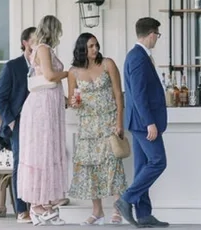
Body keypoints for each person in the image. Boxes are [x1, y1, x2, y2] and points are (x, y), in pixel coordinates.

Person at [68, 33, 127, 225]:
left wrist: (119, 123)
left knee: (112, 163)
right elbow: (72, 100)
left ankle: (118, 209)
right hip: (87, 125)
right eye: (91, 46)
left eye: (96, 45)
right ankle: (97, 211)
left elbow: (119, 95)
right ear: (82, 49)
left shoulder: (108, 64)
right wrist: (74, 104)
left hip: (108, 120)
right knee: (91, 166)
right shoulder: (73, 72)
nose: (95, 49)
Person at [115, 17, 169, 228]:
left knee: (142, 167)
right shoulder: (138, 57)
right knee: (158, 161)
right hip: (142, 122)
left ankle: (144, 214)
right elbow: (138, 94)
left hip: (138, 122)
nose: (157, 39)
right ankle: (126, 199)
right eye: (157, 35)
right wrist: (149, 122)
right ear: (152, 34)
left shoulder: (138, 56)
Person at [18, 15, 70, 224]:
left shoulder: (44, 49)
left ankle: (45, 203)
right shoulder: (43, 48)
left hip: (51, 103)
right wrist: (69, 73)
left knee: (48, 151)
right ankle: (38, 205)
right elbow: (49, 75)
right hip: (42, 107)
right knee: (42, 152)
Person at [0, 26, 36, 223]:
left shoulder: (42, 66)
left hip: (39, 122)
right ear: (25, 43)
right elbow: (0, 97)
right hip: (18, 123)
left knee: (39, 163)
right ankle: (22, 210)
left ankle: (38, 206)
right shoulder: (12, 66)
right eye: (35, 39)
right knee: (20, 164)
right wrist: (11, 122)